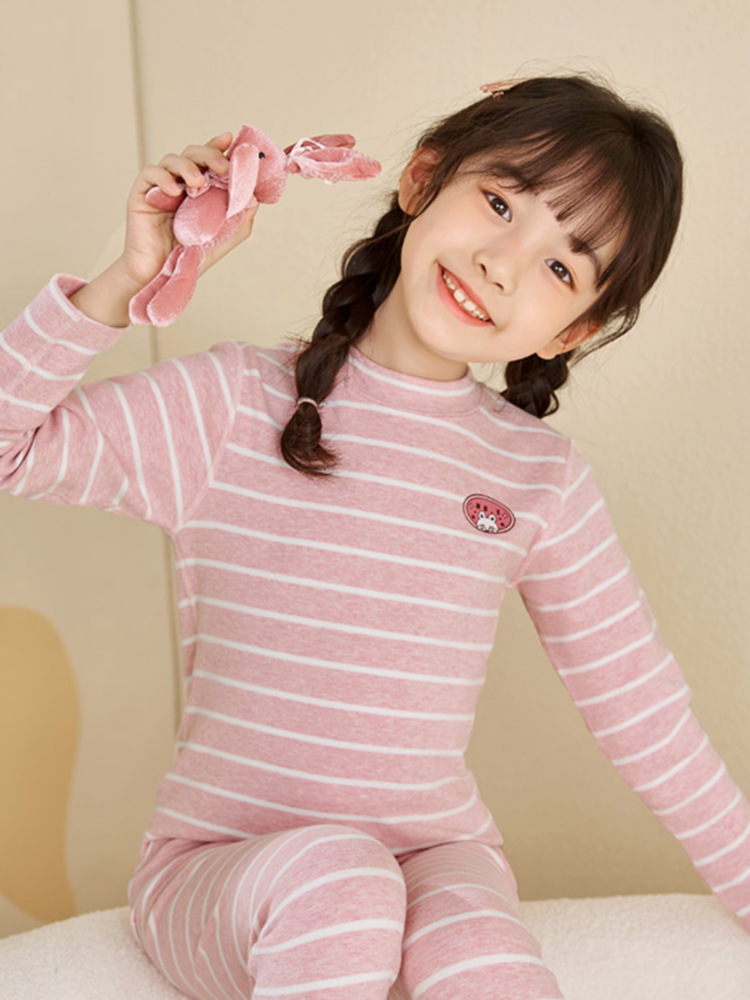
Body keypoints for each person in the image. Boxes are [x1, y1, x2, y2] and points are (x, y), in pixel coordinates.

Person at [1, 74, 748, 1000]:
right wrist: (127, 276)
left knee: (487, 963)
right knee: (343, 881)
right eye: (501, 204)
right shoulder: (233, 404)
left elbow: (646, 717)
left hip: (433, 859)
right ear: (424, 177)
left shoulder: (538, 478)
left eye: (563, 268)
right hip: (218, 870)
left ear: (574, 330)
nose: (504, 264)